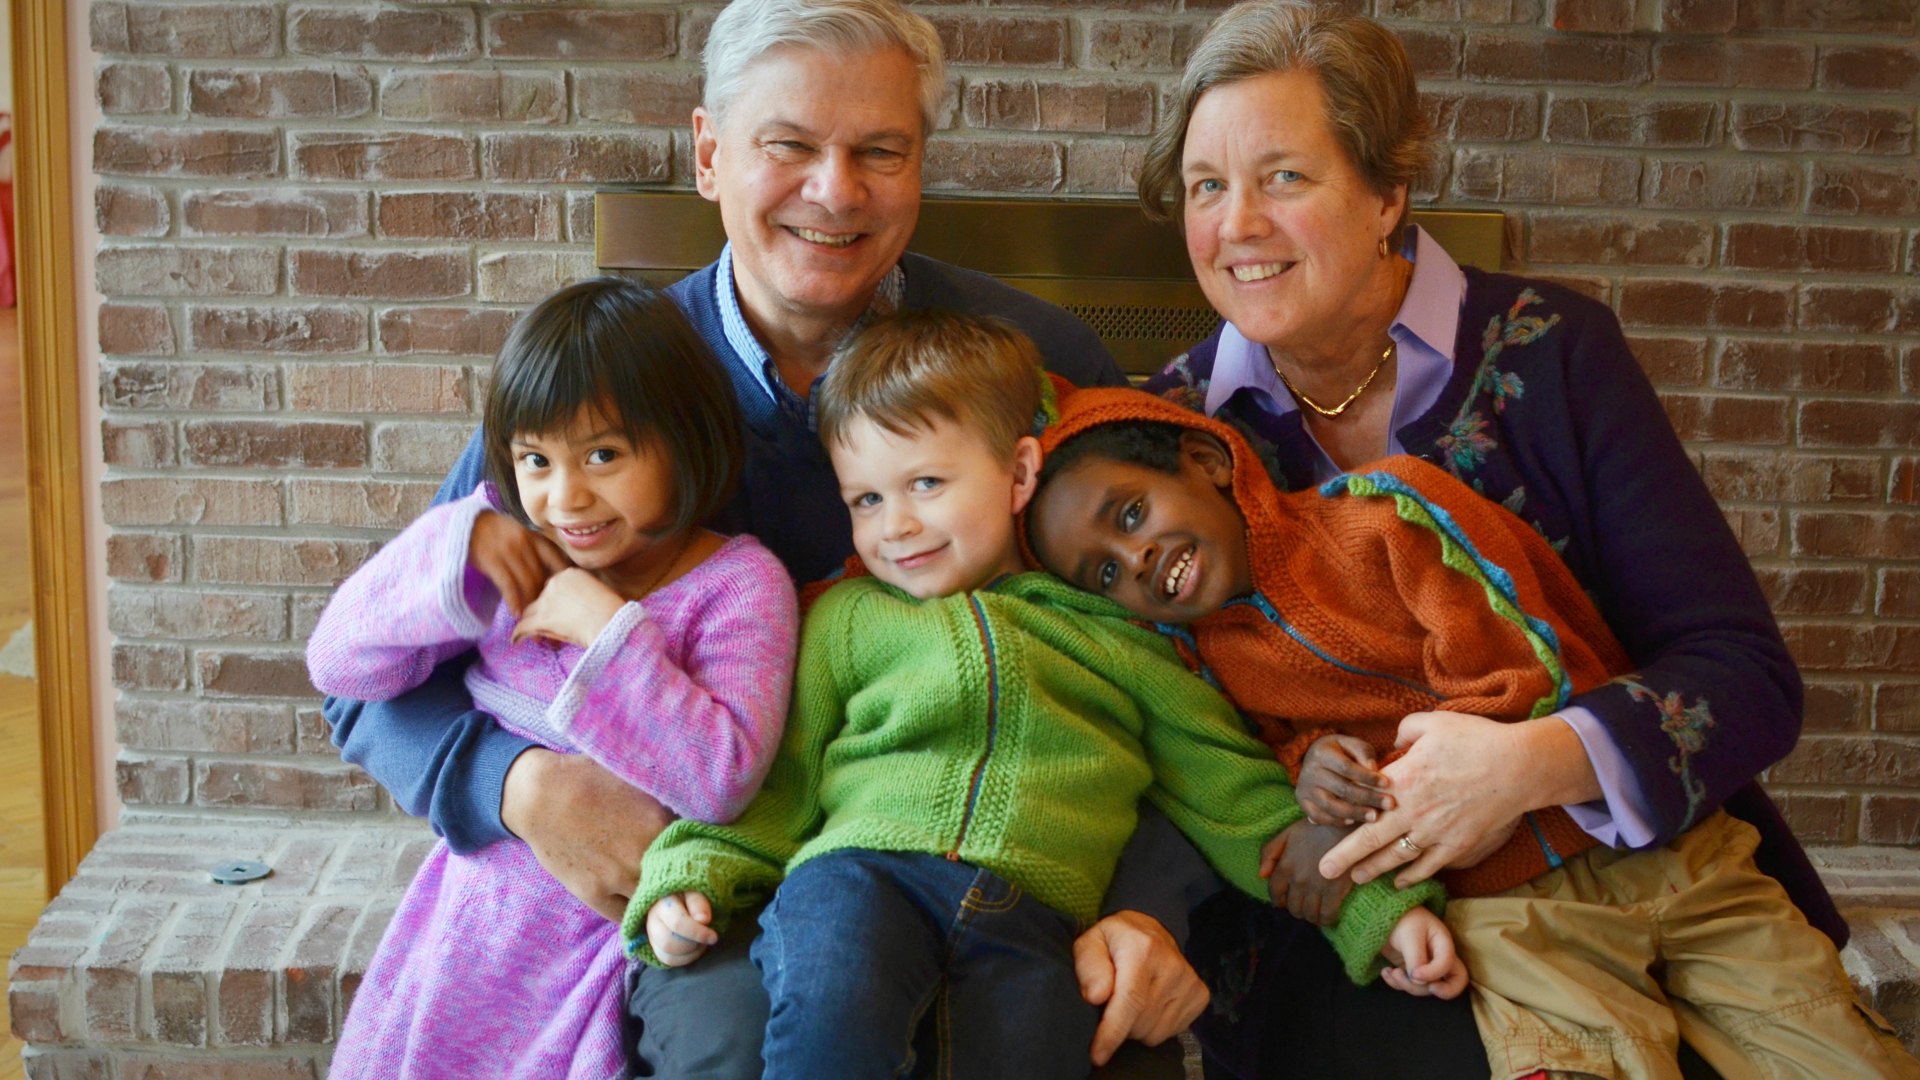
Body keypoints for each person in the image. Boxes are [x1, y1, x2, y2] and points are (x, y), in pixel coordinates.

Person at [317, 0, 1218, 1072]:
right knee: (733, 1037)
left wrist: (1152, 905)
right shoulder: (598, 392)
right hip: (717, 876)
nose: (835, 191)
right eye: (788, 145)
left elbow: (1181, 656)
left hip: (1005, 849)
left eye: (879, 151)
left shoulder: (1032, 359)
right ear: (709, 154)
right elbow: (371, 676)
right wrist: (517, 787)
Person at [1121, 1, 1844, 1075]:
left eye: (1284, 177)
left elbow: (1743, 677)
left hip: (1640, 865)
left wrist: (1524, 767)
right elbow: (1178, 734)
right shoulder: (1171, 439)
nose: (1238, 225)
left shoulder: (1552, 353)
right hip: (1357, 920)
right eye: (1205, 187)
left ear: (1388, 193)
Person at [631, 310, 1459, 1079]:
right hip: (861, 877)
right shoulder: (847, 619)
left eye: (926, 484)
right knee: (835, 1007)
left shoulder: (1121, 641)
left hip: (1035, 915)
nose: (896, 526)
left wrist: (1376, 915)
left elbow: (1239, 801)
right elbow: (773, 780)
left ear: (1019, 471)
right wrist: (690, 874)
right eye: (867, 500)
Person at [1025, 385, 1919, 1080]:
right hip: (1509, 916)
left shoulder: (1389, 517)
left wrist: (1366, 800)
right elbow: (1278, 751)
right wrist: (1315, 774)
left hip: (1671, 856)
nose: (1136, 559)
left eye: (1131, 515)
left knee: (1827, 1048)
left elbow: (1524, 672)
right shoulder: (1213, 665)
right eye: (1103, 573)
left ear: (1205, 460)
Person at [306, 278, 799, 1079]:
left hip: (596, 950)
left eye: (603, 455)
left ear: (685, 440)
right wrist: (451, 551)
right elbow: (342, 665)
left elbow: (720, 780)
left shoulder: (738, 587)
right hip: (466, 930)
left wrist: (608, 634)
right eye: (536, 459)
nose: (565, 497)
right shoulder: (508, 560)